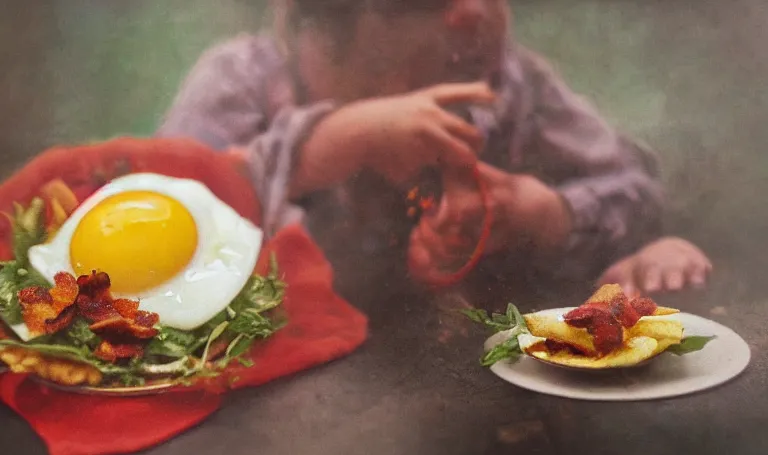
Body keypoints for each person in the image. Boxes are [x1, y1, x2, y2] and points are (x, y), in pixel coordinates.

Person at [156, 0, 709, 305]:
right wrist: (330, 145)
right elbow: (153, 217)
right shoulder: (241, 82)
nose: (472, 12)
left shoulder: (513, 84)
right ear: (318, 25)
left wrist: (544, 213)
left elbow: (634, 189)